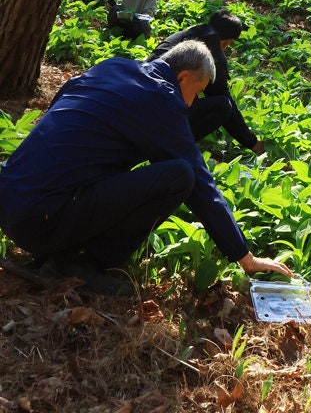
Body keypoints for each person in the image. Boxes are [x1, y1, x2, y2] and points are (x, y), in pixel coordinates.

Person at [0, 41, 291, 296]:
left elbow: (62, 101)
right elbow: (201, 184)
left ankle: (68, 242)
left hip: (9, 202)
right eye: (196, 93)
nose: (192, 103)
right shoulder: (162, 99)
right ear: (183, 76)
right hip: (41, 222)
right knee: (179, 175)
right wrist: (245, 257)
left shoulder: (113, 67)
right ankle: (81, 263)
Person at [149, 9, 263, 154]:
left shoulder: (182, 35)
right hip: (163, 108)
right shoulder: (211, 53)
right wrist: (252, 142)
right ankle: (173, 146)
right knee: (223, 106)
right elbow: (225, 100)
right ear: (227, 42)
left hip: (142, 95)